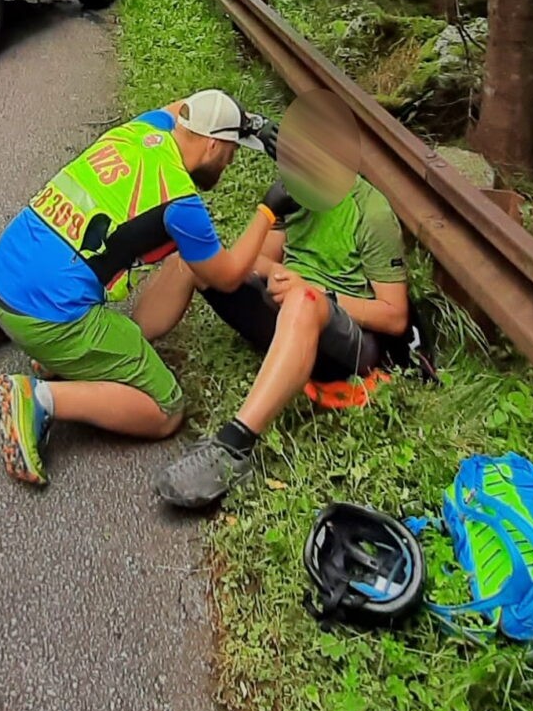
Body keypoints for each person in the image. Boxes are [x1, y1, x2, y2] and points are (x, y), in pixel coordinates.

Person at [0, 91, 275, 487]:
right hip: (46, 318)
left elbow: (183, 106)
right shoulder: (181, 202)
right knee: (166, 409)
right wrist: (268, 212)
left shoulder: (143, 130)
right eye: (231, 152)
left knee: (183, 260)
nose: (230, 162)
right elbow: (225, 276)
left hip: (2, 279)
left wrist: (249, 122)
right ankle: (39, 399)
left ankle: (75, 360)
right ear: (213, 144)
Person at [152, 103, 411, 511]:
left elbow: (394, 317)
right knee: (191, 261)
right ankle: (121, 349)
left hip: (346, 341)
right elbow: (257, 260)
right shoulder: (295, 191)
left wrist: (314, 291)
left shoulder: (372, 213)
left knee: (304, 302)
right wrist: (274, 271)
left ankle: (234, 447)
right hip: (290, 313)